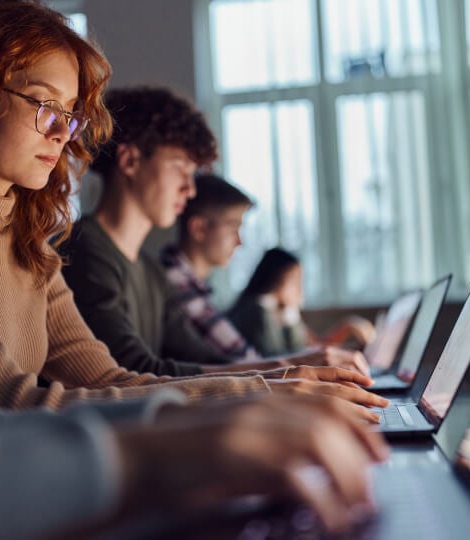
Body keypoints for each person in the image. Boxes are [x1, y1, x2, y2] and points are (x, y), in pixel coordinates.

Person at [0, 0, 389, 537]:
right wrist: (239, 409)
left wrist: (273, 389)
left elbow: (108, 379)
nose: (61, 132)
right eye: (45, 105)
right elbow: (1, 402)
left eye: (70, 115)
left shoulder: (29, 237)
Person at [60, 86, 373, 379]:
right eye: (179, 167)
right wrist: (288, 368)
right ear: (130, 160)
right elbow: (135, 372)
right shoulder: (84, 253)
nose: (190, 187)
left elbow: (210, 361)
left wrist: (299, 366)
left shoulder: (152, 271)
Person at [159, 173, 259, 361]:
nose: (239, 242)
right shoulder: (175, 281)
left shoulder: (191, 282)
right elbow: (244, 359)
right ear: (199, 229)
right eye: (233, 228)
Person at [229, 247, 376, 357]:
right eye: (295, 282)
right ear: (274, 280)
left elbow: (315, 345)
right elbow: (281, 359)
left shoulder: (283, 312)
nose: (299, 291)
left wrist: (348, 327)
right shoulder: (258, 311)